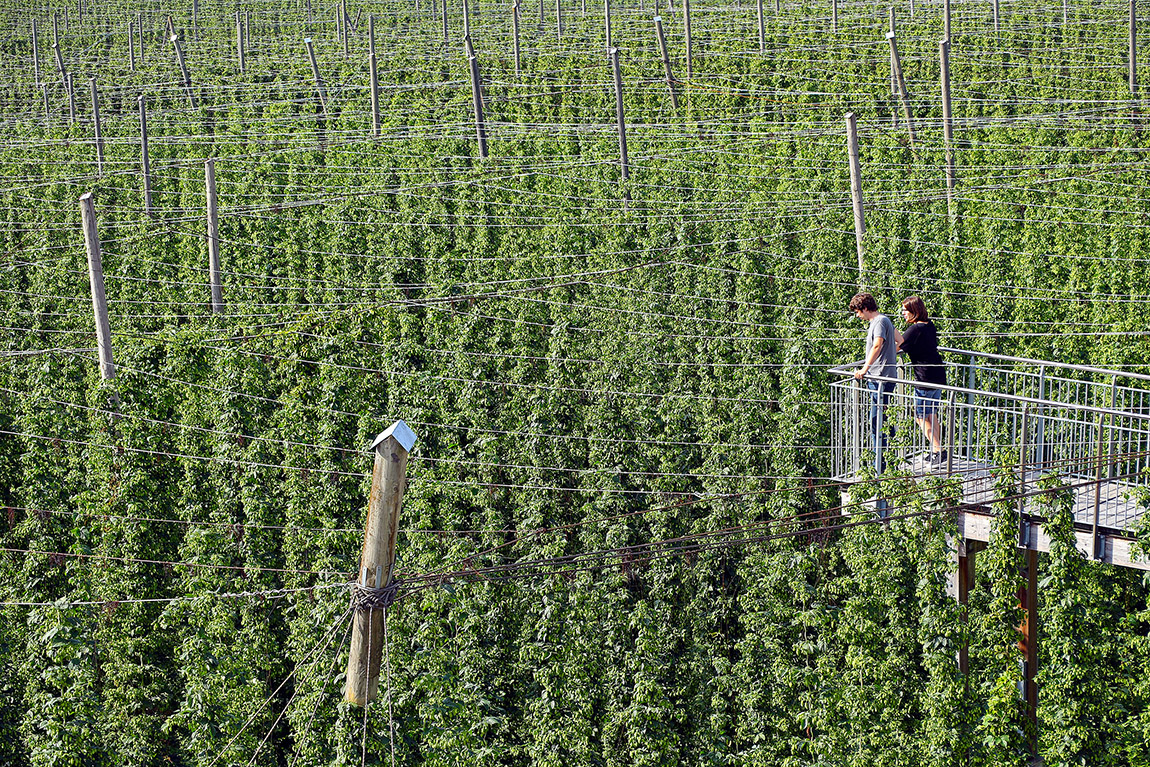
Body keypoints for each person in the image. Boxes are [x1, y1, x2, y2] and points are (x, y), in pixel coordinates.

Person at [894, 295, 947, 465]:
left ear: (914, 311)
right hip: (937, 375)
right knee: (932, 414)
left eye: (905, 310)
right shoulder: (929, 325)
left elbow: (895, 348)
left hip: (924, 377)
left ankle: (939, 450)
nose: (903, 313)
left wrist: (890, 332)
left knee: (920, 416)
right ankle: (936, 451)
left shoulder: (914, 330)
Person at [849, 293, 897, 475]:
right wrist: (890, 354)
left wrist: (864, 369)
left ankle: (880, 466)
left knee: (877, 422)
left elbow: (877, 345)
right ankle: (889, 461)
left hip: (879, 379)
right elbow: (898, 341)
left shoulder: (879, 322)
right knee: (884, 419)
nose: (857, 315)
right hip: (882, 376)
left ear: (866, 308)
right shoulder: (885, 320)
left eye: (858, 311)